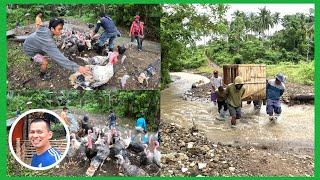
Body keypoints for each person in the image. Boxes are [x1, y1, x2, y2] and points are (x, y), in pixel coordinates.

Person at [23, 18, 91, 81]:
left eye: (61, 29)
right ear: (52, 29)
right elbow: (59, 58)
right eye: (59, 29)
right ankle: (42, 74)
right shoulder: (47, 41)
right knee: (45, 61)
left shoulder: (45, 29)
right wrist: (77, 67)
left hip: (30, 44)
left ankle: (35, 57)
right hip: (29, 50)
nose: (61, 31)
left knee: (44, 53)